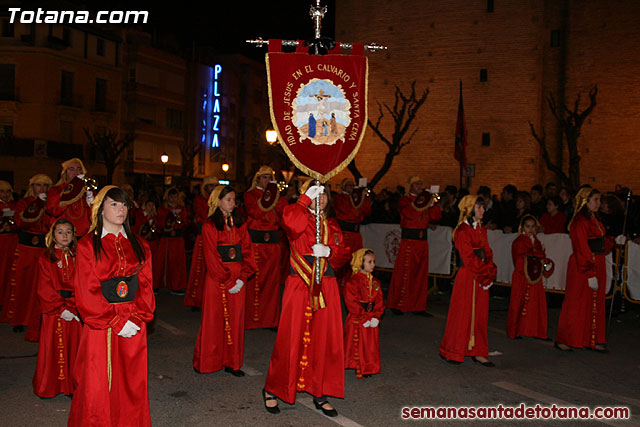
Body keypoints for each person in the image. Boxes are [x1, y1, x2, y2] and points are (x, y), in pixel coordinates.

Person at [68, 186, 155, 427]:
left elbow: (146, 283)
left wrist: (138, 317)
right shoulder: (87, 245)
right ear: (100, 208)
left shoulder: (140, 244)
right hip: (102, 321)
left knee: (131, 380)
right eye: (114, 204)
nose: (121, 210)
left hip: (134, 319)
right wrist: (115, 321)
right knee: (98, 380)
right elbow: (86, 289)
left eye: (124, 205)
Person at [263, 179, 350, 417]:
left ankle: (319, 391)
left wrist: (331, 252)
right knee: (290, 339)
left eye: (324, 194)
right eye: (316, 193)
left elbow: (344, 254)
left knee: (325, 341)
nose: (320, 198)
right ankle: (274, 388)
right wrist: (303, 200)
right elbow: (291, 225)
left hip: (327, 287)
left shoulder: (331, 223)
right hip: (300, 285)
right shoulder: (296, 213)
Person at [193, 185, 256, 375]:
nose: (232, 203)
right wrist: (228, 281)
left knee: (235, 321)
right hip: (218, 279)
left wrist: (242, 278)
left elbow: (248, 251)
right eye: (228, 199)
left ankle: (232, 361)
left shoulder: (240, 224)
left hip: (238, 278)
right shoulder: (210, 226)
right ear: (218, 201)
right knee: (214, 319)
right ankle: (208, 361)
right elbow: (211, 257)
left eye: (234, 200)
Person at [554, 188, 625, 352]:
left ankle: (592, 338)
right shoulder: (580, 222)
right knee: (577, 302)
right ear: (586, 201)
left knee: (595, 302)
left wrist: (613, 241)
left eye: (600, 200)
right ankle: (566, 338)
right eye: (596, 200)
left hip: (597, 263)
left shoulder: (596, 219)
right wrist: (589, 272)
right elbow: (581, 247)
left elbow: (599, 243)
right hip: (583, 265)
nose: (599, 204)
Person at [440, 195, 497, 366]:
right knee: (462, 313)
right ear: (470, 210)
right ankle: (454, 350)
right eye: (479, 207)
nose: (483, 210)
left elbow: (487, 251)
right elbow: (468, 257)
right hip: (468, 275)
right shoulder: (462, 231)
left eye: (483, 207)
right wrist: (483, 274)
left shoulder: (481, 228)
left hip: (480, 275)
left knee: (480, 314)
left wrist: (490, 271)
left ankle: (478, 351)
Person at [33, 218, 82, 398]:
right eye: (60, 232)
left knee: (74, 346)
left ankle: (71, 385)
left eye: (68, 232)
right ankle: (52, 385)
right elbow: (44, 287)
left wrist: (75, 304)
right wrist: (61, 308)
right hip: (55, 309)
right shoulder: (46, 258)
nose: (64, 235)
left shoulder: (79, 255)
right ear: (53, 235)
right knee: (55, 347)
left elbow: (84, 283)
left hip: (75, 307)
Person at [1, 174, 53, 341]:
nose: (42, 189)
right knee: (23, 284)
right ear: (32, 187)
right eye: (39, 185)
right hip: (26, 248)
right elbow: (21, 222)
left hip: (44, 248)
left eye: (45, 186)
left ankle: (37, 320)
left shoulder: (52, 204)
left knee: (42, 287)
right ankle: (19, 319)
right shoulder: (24, 203)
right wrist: (38, 203)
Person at [387, 176, 442, 315]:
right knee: (405, 273)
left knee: (420, 275)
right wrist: (423, 201)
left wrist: (433, 204)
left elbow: (436, 217)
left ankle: (418, 306)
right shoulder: (405, 200)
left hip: (422, 242)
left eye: (420, 184)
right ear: (410, 186)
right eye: (417, 184)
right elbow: (409, 214)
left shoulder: (424, 201)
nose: (419, 186)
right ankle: (398, 304)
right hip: (409, 242)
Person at [243, 166, 287, 329]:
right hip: (256, 244)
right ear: (258, 179)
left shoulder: (278, 196)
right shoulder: (250, 195)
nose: (267, 180)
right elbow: (255, 212)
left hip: (273, 244)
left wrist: (276, 196)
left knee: (272, 284)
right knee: (254, 281)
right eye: (264, 177)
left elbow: (283, 214)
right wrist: (270, 197)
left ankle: (270, 320)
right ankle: (250, 319)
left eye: (270, 177)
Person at [505, 215, 554, 340]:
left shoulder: (536, 242)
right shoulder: (519, 242)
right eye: (528, 226)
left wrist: (546, 264)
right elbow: (519, 260)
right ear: (523, 227)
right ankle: (514, 331)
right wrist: (536, 258)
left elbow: (541, 257)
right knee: (518, 303)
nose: (531, 229)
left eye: (533, 227)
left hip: (535, 277)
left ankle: (536, 331)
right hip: (522, 277)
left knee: (536, 304)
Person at [344, 248, 384, 379]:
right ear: (360, 263)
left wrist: (377, 315)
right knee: (359, 343)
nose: (373, 264)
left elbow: (379, 300)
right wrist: (361, 317)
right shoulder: (353, 282)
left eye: (373, 261)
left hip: (371, 316)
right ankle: (358, 365)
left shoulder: (376, 282)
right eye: (369, 262)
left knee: (370, 344)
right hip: (359, 317)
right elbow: (351, 302)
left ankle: (369, 366)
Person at [333, 177, 372, 292]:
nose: (351, 187)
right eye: (349, 185)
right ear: (343, 187)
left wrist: (362, 197)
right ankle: (340, 287)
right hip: (345, 234)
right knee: (344, 260)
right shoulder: (339, 198)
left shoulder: (356, 198)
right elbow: (347, 211)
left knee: (357, 260)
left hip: (356, 234)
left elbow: (367, 210)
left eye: (352, 185)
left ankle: (353, 286)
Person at [185, 176, 218, 308]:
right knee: (199, 267)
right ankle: (196, 299)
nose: (213, 189)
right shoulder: (200, 200)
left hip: (215, 236)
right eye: (211, 186)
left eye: (215, 186)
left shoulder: (219, 199)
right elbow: (205, 215)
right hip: (203, 236)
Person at [45, 158, 94, 238]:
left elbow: (94, 214)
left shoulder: (87, 190)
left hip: (84, 236)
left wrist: (90, 196)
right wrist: (74, 188)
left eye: (79, 169)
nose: (76, 172)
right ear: (65, 173)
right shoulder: (56, 190)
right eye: (71, 169)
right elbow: (53, 210)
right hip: (63, 237)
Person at [155, 187, 189, 293]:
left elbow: (186, 223)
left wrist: (179, 223)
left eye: (175, 196)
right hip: (166, 238)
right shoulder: (162, 209)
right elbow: (159, 223)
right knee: (161, 261)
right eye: (171, 196)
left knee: (177, 263)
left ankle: (176, 286)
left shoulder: (182, 209)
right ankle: (157, 284)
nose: (173, 199)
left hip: (177, 239)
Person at [0, 180, 18, 309]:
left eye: (8, 191)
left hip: (12, 241)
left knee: (10, 271)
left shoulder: (15, 205)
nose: (5, 194)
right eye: (2, 191)